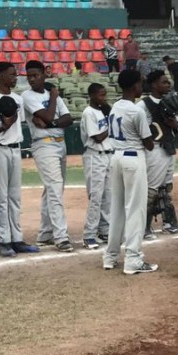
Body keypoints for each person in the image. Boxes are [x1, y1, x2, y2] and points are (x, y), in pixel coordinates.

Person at [100, 69, 158, 275]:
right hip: (133, 158)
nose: (141, 87)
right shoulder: (136, 111)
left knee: (117, 209)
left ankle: (110, 256)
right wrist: (155, 134)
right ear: (134, 86)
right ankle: (133, 258)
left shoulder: (116, 106)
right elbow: (149, 144)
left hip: (116, 157)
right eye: (140, 83)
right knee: (135, 210)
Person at [0, 62, 38, 257]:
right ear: (0, 76)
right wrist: (2, 128)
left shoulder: (18, 99)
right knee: (2, 197)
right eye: (11, 75)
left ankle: (17, 238)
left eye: (15, 74)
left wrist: (8, 127)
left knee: (15, 196)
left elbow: (17, 125)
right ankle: (3, 240)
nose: (15, 78)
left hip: (16, 148)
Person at [22, 60, 73, 253]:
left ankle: (45, 234)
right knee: (54, 188)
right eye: (29, 76)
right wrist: (53, 98)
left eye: (35, 75)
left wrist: (51, 123)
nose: (32, 79)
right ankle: (61, 237)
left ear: (44, 74)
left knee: (52, 190)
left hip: (60, 143)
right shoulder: (28, 96)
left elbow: (68, 118)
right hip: (44, 146)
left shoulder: (52, 93)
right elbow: (51, 116)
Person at [142, 70, 178, 238]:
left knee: (166, 188)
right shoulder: (144, 105)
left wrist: (175, 125)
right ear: (154, 85)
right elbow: (142, 129)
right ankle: (144, 226)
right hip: (155, 149)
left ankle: (169, 222)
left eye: (168, 82)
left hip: (169, 147)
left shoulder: (172, 101)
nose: (168, 85)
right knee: (151, 190)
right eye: (164, 82)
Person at [80, 82, 114, 250]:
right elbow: (98, 137)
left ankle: (104, 230)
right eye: (101, 95)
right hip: (94, 156)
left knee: (108, 196)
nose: (104, 98)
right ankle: (89, 235)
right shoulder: (88, 113)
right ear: (92, 96)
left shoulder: (103, 112)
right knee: (96, 197)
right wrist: (111, 124)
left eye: (105, 94)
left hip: (108, 155)